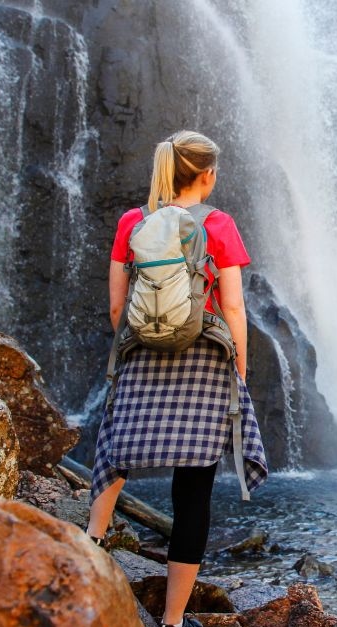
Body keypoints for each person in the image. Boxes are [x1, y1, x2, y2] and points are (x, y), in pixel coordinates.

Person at [86, 130, 267, 627]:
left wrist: (138, 345)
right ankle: (171, 619)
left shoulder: (132, 221)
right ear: (206, 175)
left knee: (114, 452)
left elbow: (118, 306)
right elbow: (232, 305)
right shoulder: (220, 224)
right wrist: (240, 369)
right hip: (206, 360)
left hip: (142, 353)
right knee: (193, 493)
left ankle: (88, 549)